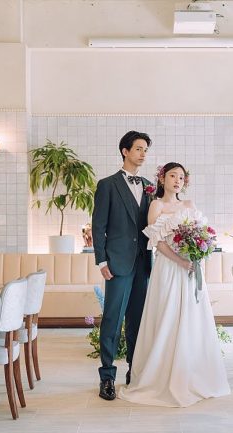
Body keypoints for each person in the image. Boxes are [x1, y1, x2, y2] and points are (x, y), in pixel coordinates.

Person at [118, 162, 230, 407]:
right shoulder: (156, 206)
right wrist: (180, 261)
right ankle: (160, 377)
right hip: (168, 269)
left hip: (190, 268)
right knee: (166, 317)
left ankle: (191, 375)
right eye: (172, 176)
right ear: (162, 179)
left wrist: (197, 255)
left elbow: (202, 235)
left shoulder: (189, 205)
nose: (177, 180)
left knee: (191, 318)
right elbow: (157, 243)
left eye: (181, 177)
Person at [92, 131, 153, 401]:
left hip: (143, 264)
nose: (143, 154)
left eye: (145, 150)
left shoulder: (150, 186)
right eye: (138, 148)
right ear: (125, 151)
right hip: (117, 263)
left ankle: (134, 372)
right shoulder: (107, 185)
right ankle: (107, 377)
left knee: (137, 320)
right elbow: (98, 226)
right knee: (113, 320)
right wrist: (102, 260)